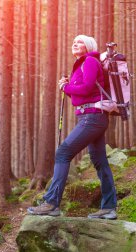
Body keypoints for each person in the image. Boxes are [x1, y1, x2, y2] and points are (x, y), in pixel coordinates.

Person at [27, 35, 117, 220]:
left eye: (80, 42)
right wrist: (67, 88)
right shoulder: (82, 65)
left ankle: (51, 203)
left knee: (63, 153)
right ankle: (109, 207)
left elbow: (85, 88)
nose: (75, 44)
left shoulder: (90, 61)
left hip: (92, 118)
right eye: (74, 42)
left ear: (89, 46)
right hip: (91, 116)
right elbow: (81, 96)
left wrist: (66, 88)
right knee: (99, 161)